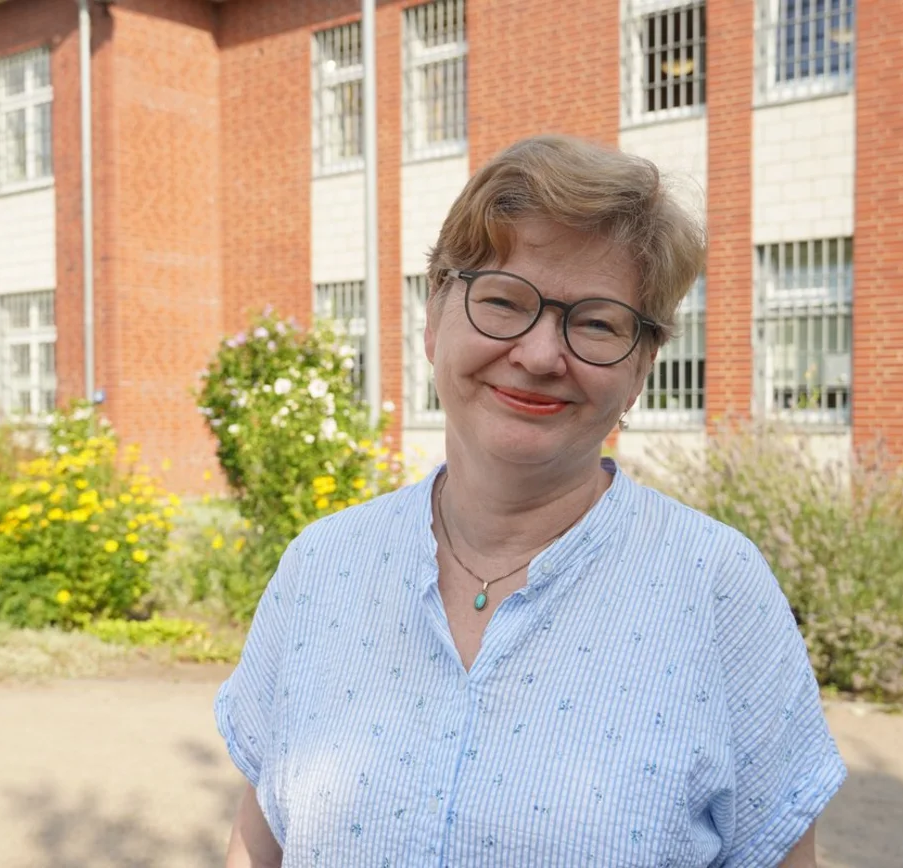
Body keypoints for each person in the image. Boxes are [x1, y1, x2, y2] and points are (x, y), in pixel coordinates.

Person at [215, 133, 847, 867]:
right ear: (433, 315)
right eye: (504, 301)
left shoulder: (716, 591)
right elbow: (257, 848)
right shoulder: (322, 567)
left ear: (643, 364)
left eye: (598, 322)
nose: (542, 355)